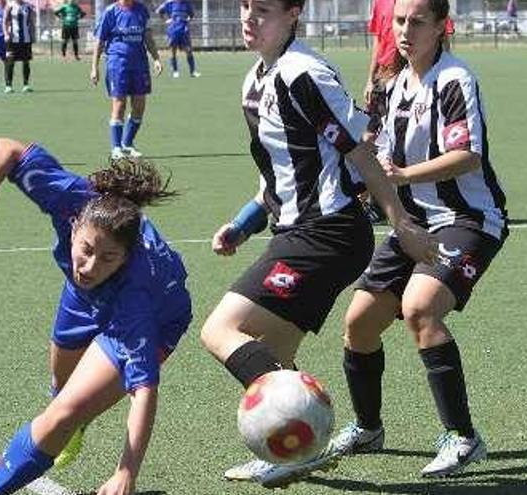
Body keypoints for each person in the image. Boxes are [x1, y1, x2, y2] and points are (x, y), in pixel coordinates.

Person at [199, 0, 437, 488]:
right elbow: (279, 173)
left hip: (327, 232)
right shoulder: (255, 81)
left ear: (293, 16)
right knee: (276, 354)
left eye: (263, 10)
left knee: (220, 330)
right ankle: (292, 454)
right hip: (297, 232)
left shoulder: (304, 72)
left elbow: (361, 153)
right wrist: (244, 224)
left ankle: (310, 425)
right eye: (246, 7)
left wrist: (400, 223)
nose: (249, 18)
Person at [327, 0, 508, 479]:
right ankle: (368, 428)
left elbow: (467, 155)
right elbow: (376, 153)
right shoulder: (390, 84)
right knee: (359, 324)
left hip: (468, 218)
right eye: (400, 20)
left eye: (417, 21)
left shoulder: (454, 80)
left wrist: (402, 175)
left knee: (420, 307)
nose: (405, 29)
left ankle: (464, 438)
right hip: (413, 221)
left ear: (441, 26)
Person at [0, 138, 192, 495]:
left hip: (158, 318)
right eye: (85, 249)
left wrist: (126, 472)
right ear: (75, 223)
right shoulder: (72, 198)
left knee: (64, 412)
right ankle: (73, 423)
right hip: (84, 298)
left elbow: (144, 391)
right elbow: (3, 149)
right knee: (61, 389)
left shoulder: (137, 298)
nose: (90, 265)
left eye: (108, 257)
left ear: (126, 258)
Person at [358, 0, 455, 222]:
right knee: (371, 139)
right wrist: (371, 78)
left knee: (411, 140)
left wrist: (441, 75)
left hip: (414, 73)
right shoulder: (380, 3)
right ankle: (370, 199)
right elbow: (378, 41)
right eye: (400, 21)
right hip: (385, 77)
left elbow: (443, 38)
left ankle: (423, 199)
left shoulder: (422, 4)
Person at [91, 0, 163, 160]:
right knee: (120, 104)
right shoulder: (110, 12)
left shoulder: (141, 10)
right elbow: (99, 41)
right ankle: (116, 147)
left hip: (140, 64)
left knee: (139, 106)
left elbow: (147, 36)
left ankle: (127, 144)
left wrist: (156, 58)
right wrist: (94, 67)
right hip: (118, 63)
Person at [155, 0, 200, 78]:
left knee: (188, 50)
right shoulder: (169, 3)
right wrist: (166, 20)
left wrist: (187, 20)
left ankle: (192, 72)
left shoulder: (187, 3)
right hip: (173, 30)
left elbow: (192, 15)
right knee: (173, 51)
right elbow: (158, 11)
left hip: (183, 30)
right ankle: (175, 72)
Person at [3, 0, 36, 93]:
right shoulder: (10, 5)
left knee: (26, 62)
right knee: (10, 61)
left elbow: (31, 22)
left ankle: (26, 85)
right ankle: (8, 85)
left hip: (26, 39)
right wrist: (6, 33)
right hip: (13, 39)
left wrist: (33, 35)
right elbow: (4, 21)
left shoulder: (28, 6)